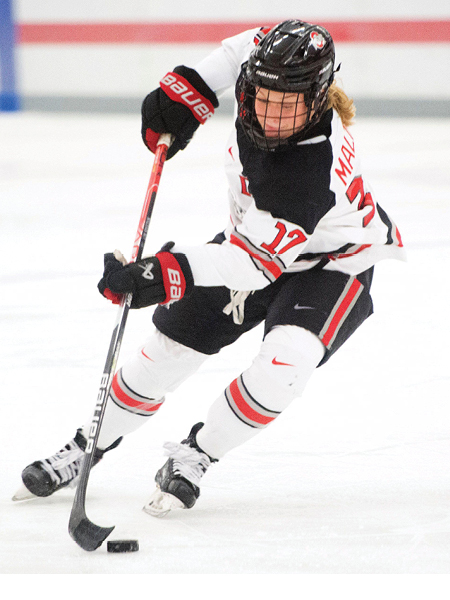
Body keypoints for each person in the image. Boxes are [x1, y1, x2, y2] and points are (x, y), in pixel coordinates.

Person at [14, 20, 405, 516]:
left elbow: (253, 266)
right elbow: (247, 44)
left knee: (285, 365)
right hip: (253, 243)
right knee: (164, 352)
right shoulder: (267, 69)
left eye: (289, 106)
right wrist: (187, 91)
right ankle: (85, 444)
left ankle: (196, 455)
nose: (271, 115)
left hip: (334, 263)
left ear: (319, 97)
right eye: (264, 97)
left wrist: (162, 272)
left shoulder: (310, 171)